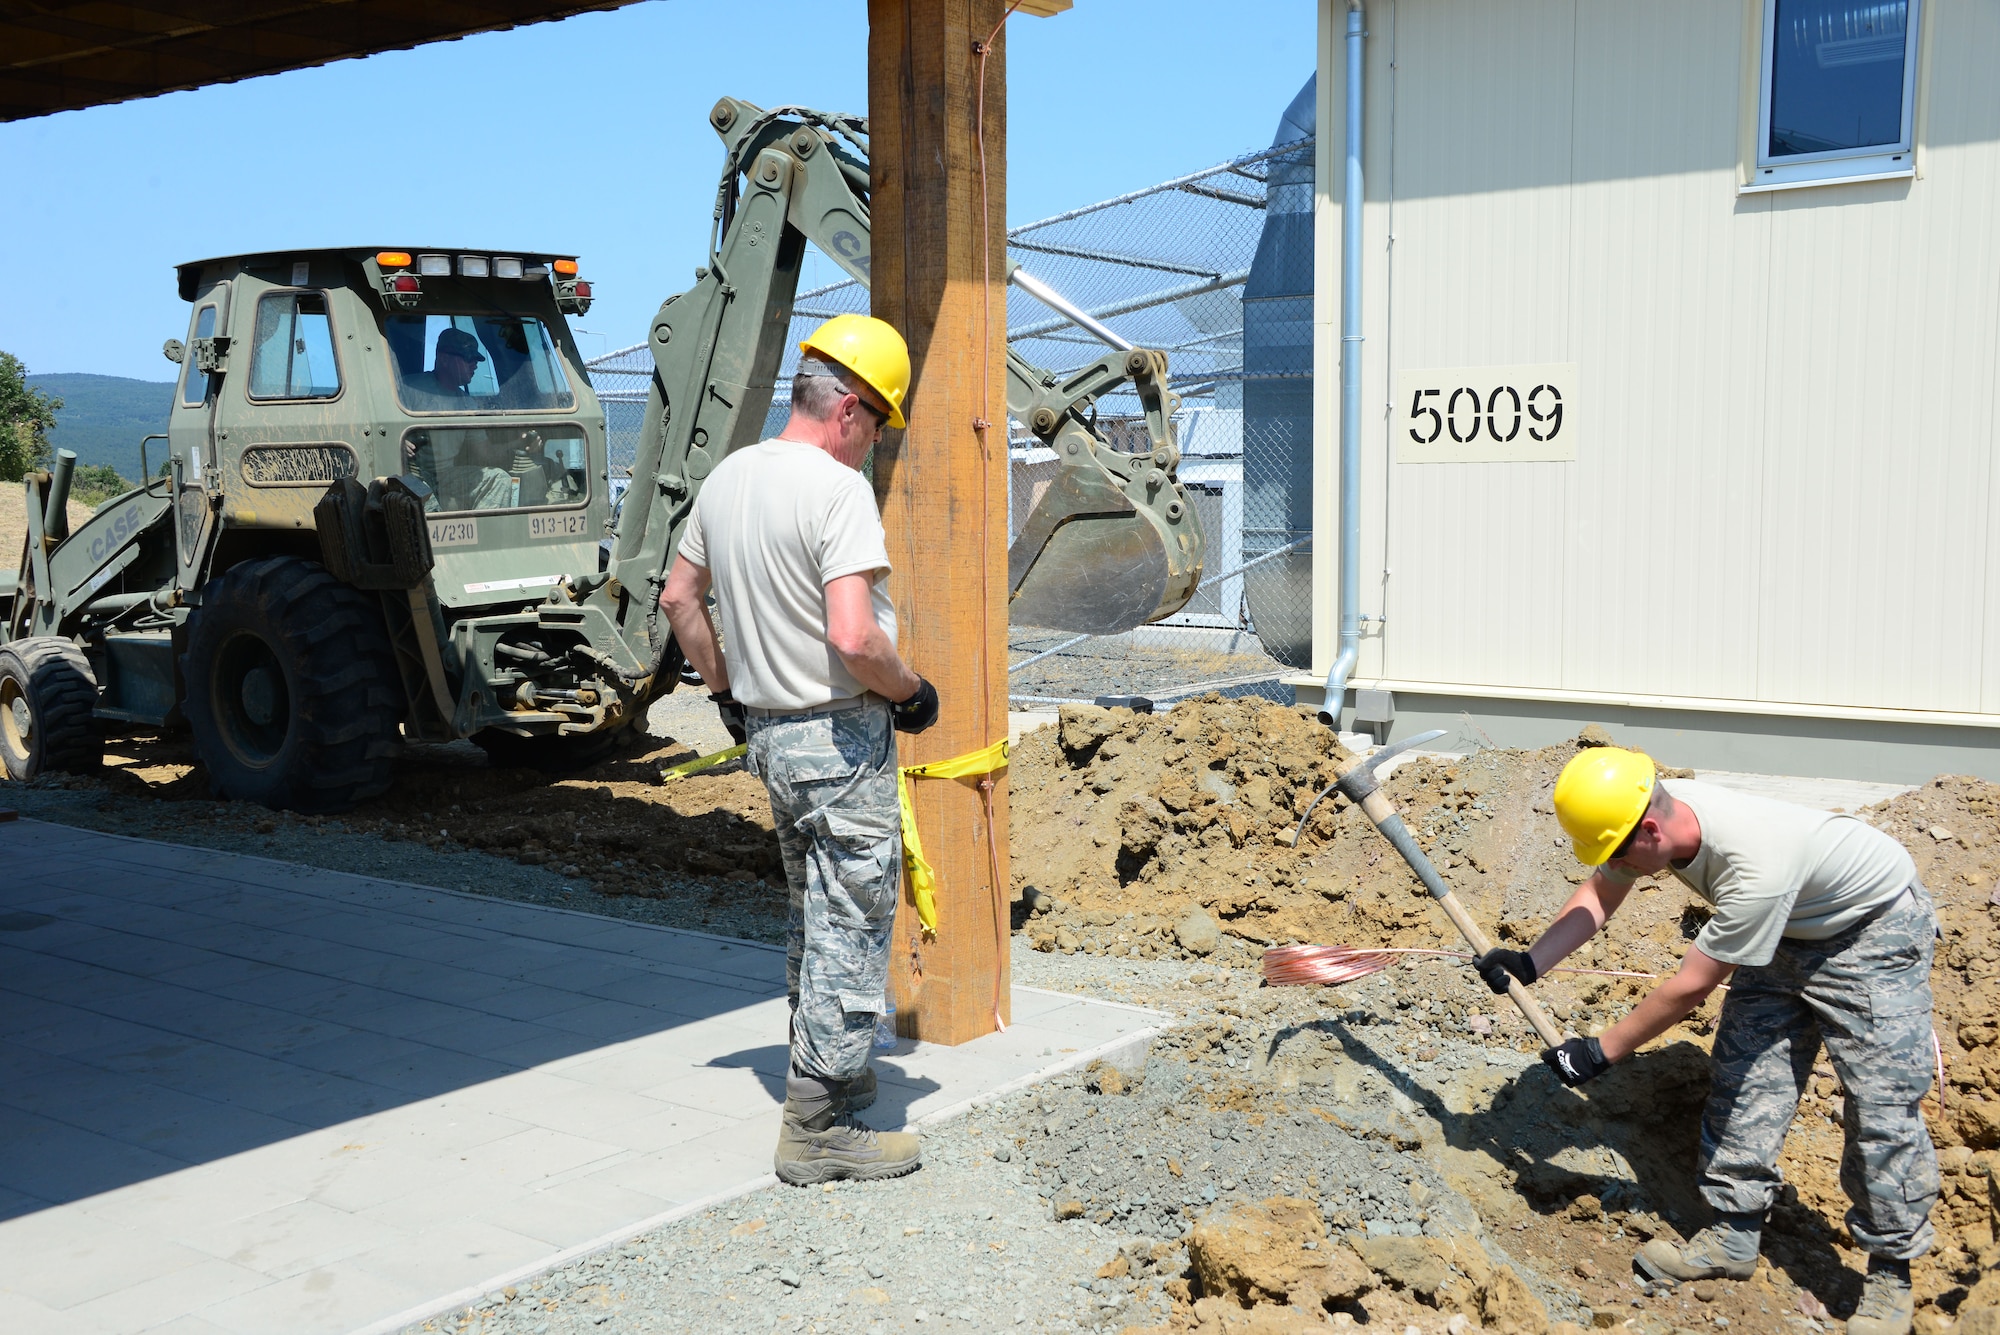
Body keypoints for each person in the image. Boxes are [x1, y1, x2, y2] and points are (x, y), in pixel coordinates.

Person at [1476, 744, 1937, 1335]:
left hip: (1869, 933)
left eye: (1618, 850)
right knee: (1745, 1076)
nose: (1615, 862)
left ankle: (1890, 1277)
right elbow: (1601, 893)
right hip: (1788, 928)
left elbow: (1690, 987)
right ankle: (1733, 1237)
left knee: (1880, 1104)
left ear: (1649, 829)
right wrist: (1530, 962)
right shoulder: (1648, 825)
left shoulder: (1755, 867)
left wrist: (1599, 1051)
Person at [659, 313, 939, 1185]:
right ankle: (816, 1127)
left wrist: (726, 693)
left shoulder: (729, 478)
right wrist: (911, 691)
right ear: (849, 409)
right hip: (839, 732)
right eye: (879, 427)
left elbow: (678, 599)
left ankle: (834, 1074)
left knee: (811, 912)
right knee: (854, 917)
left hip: (773, 735)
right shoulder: (834, 489)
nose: (873, 449)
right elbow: (854, 637)